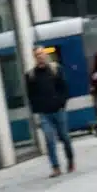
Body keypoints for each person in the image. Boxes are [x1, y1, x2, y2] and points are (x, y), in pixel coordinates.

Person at [25, 46, 74, 178]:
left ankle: (70, 160)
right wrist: (36, 109)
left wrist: (62, 103)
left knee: (64, 137)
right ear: (34, 57)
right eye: (37, 55)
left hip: (58, 110)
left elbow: (64, 87)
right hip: (44, 113)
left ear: (45, 55)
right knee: (49, 139)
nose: (40, 56)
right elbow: (31, 95)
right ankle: (55, 167)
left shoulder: (55, 69)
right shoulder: (31, 75)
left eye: (42, 53)